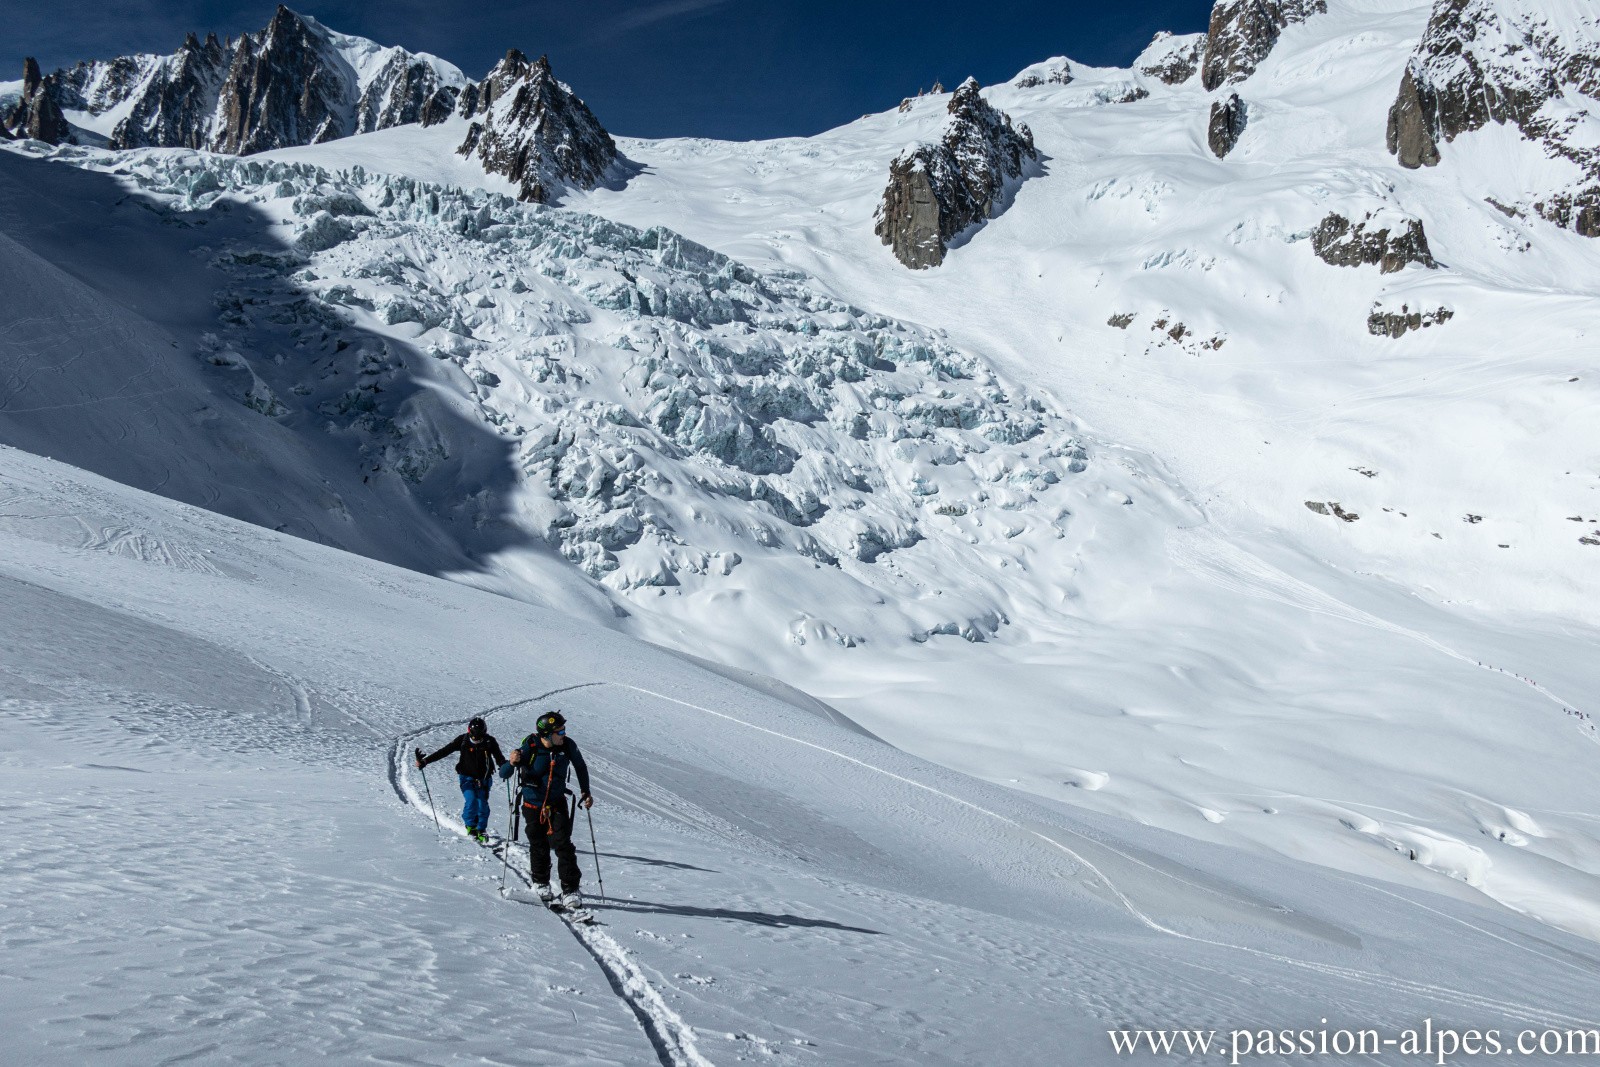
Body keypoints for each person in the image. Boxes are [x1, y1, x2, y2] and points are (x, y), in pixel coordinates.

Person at [501, 710, 593, 912]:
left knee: (563, 844)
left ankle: (570, 888)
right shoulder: (530, 747)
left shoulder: (567, 745)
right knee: (538, 843)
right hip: (532, 805)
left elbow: (580, 766)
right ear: (547, 734)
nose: (564, 734)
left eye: (564, 730)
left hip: (557, 802)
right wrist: (511, 762)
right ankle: (541, 882)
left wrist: (586, 791)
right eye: (560, 731)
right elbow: (504, 773)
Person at [416, 716, 507, 843]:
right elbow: (445, 751)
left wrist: (505, 767)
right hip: (466, 778)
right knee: (471, 801)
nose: (476, 740)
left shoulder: (489, 742)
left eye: (479, 737)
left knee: (482, 805)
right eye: (474, 737)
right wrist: (426, 761)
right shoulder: (463, 740)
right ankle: (470, 825)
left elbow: (499, 758)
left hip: (484, 779)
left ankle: (481, 829)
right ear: (469, 732)